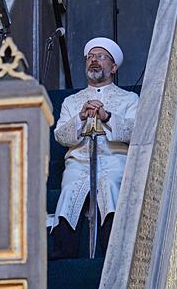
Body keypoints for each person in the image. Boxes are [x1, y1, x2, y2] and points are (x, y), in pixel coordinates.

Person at [48, 37, 139, 259]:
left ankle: (113, 251)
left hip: (114, 160)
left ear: (114, 67)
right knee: (69, 190)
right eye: (90, 57)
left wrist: (106, 116)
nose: (94, 61)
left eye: (101, 57)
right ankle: (63, 250)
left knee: (110, 185)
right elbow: (60, 136)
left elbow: (137, 130)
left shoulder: (129, 99)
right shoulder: (72, 101)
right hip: (79, 162)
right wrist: (80, 117)